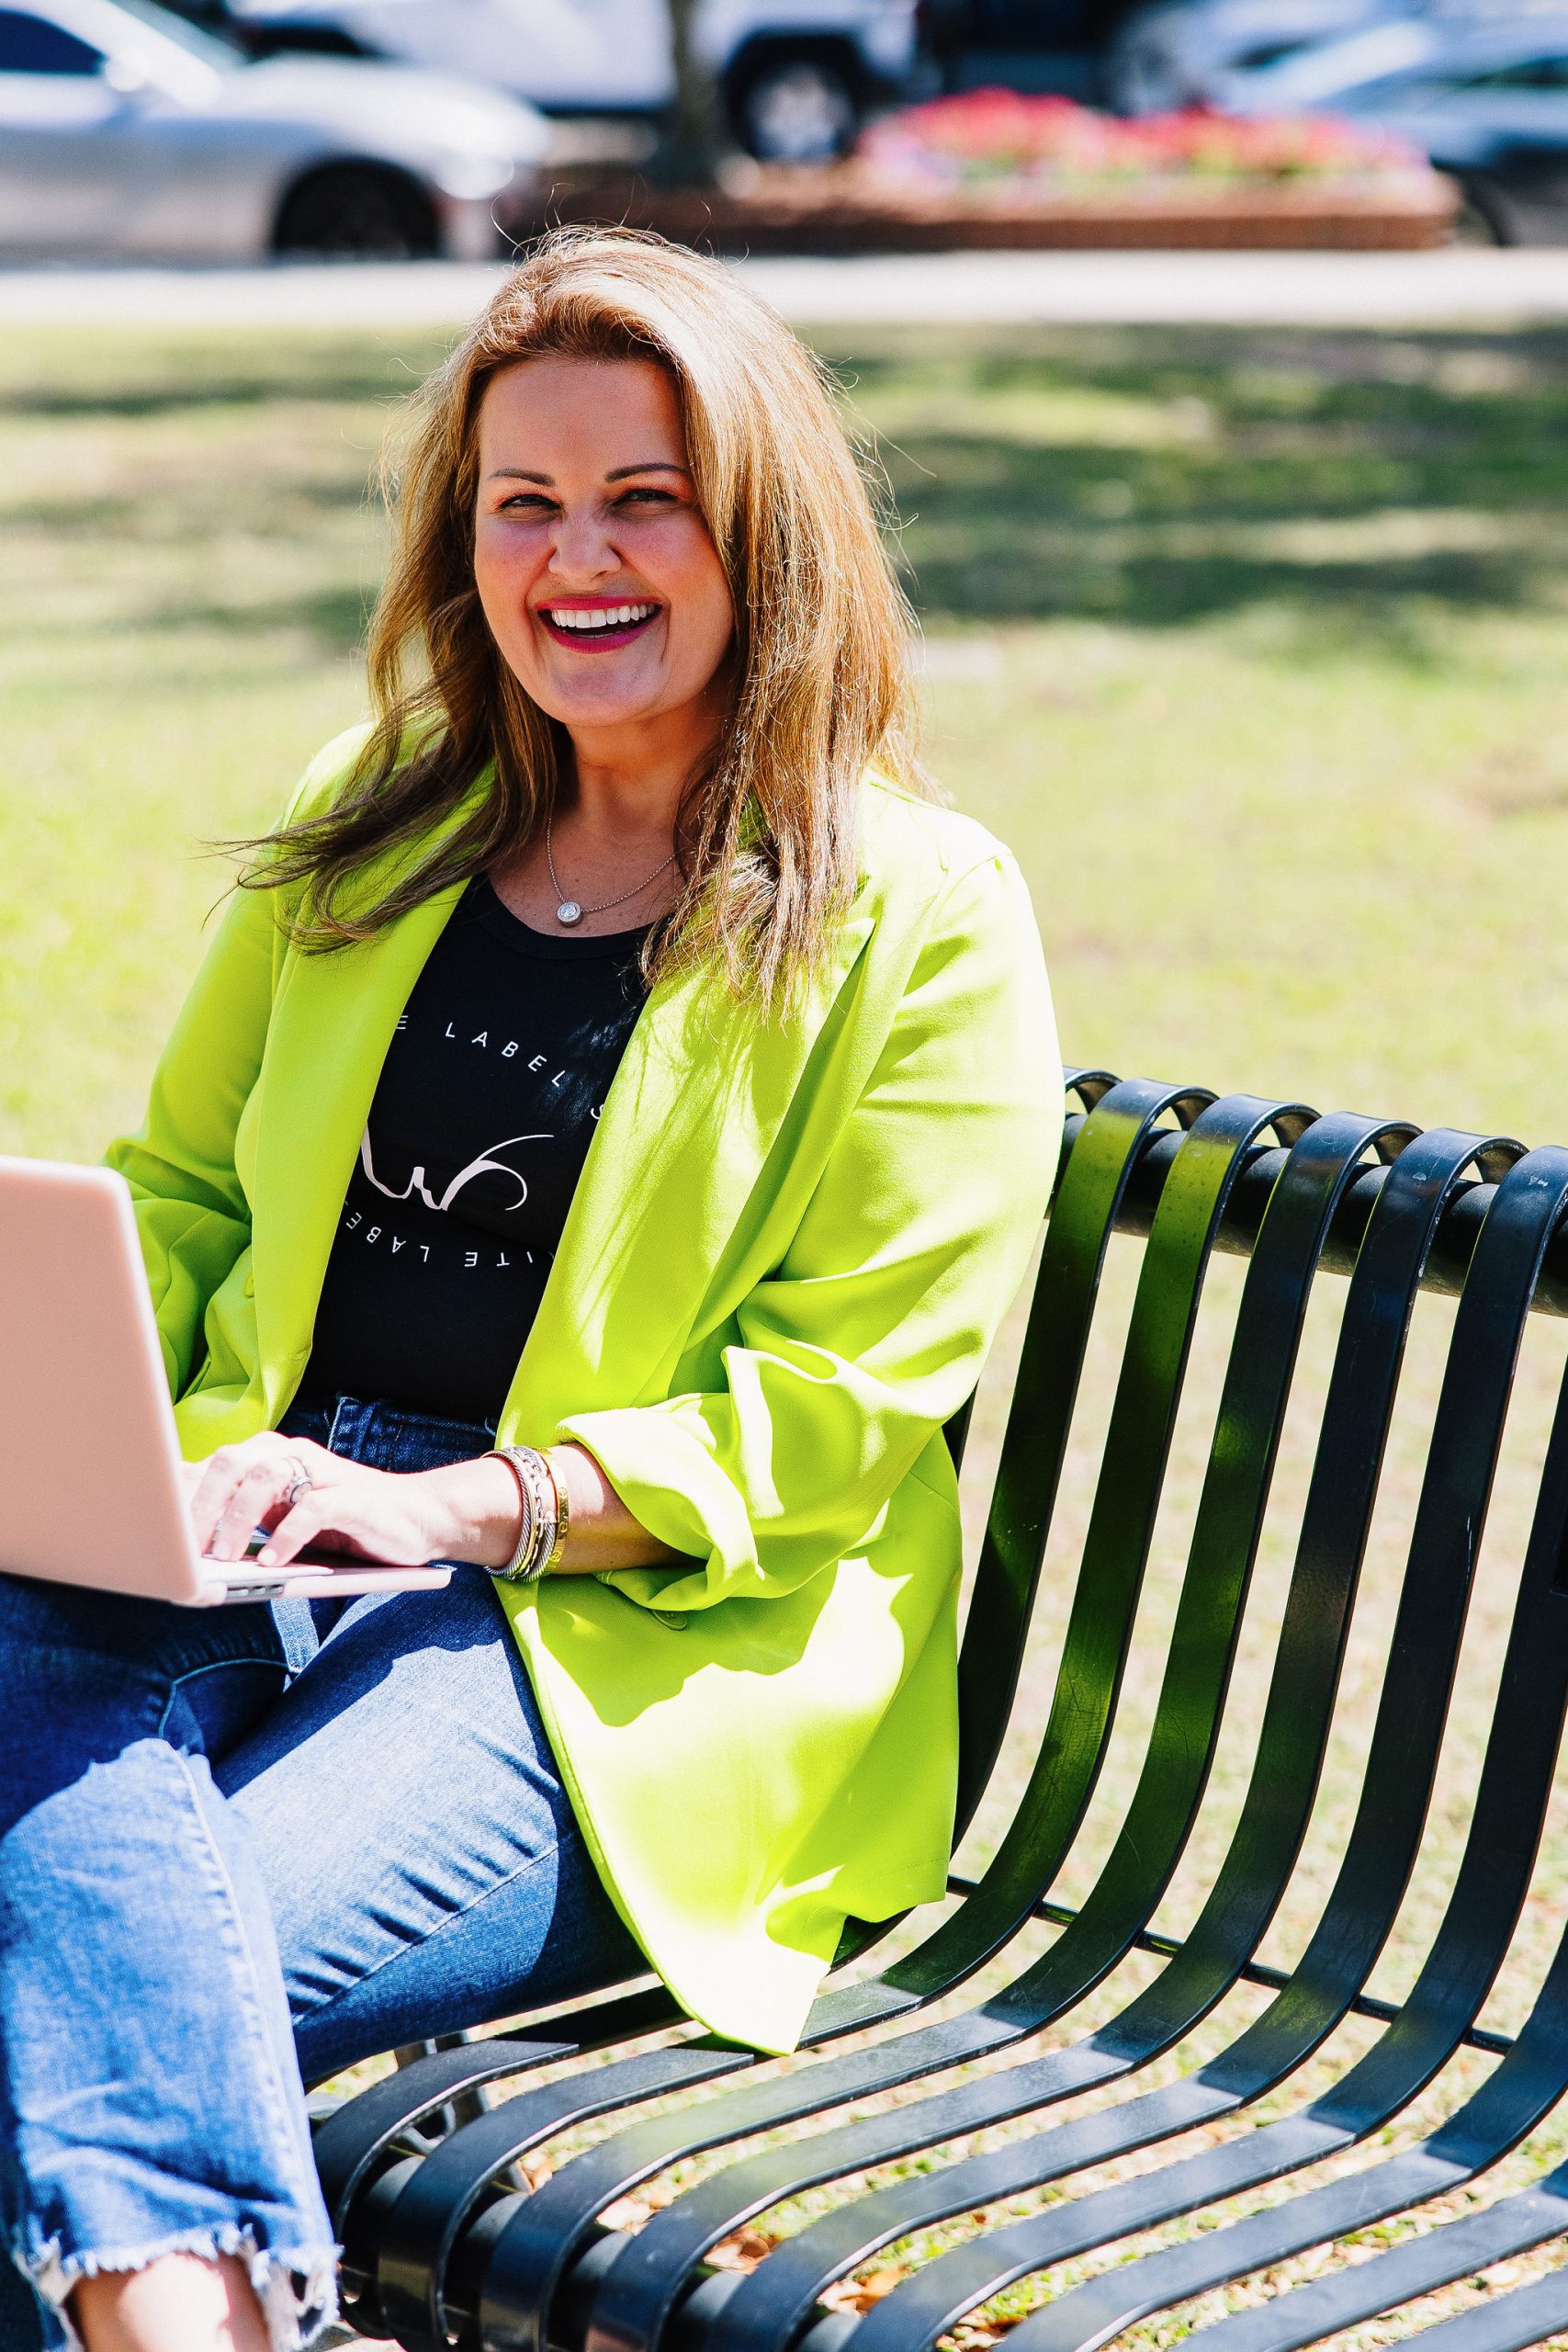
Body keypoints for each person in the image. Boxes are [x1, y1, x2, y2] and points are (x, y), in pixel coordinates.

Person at [0, 228, 1059, 2352]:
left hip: (608, 1636)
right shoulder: (371, 820)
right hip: (259, 1509)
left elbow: (850, 1396)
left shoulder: (912, 911)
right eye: (526, 505)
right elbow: (188, 1185)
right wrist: (147, 1447)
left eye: (643, 498)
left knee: (92, 1960)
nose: (579, 558)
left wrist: (460, 1504)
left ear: (761, 530)